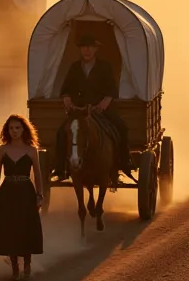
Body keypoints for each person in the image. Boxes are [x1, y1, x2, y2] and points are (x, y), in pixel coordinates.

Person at [54, 35, 132, 179]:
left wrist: (105, 102)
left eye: (90, 47)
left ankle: (123, 163)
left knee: (121, 127)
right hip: (80, 111)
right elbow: (66, 88)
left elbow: (111, 90)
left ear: (96, 49)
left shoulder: (105, 67)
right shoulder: (75, 67)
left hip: (100, 110)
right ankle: (61, 167)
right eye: (84, 47)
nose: (87, 50)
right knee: (61, 132)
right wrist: (66, 99)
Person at [0, 114, 44, 281]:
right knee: (10, 229)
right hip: (8, 191)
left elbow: (38, 174)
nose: (14, 131)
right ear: (7, 130)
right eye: (11, 128)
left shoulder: (32, 150)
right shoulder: (2, 150)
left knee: (26, 227)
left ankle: (27, 264)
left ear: (23, 129)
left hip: (26, 191)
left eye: (17, 128)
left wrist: (39, 195)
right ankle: (14, 268)